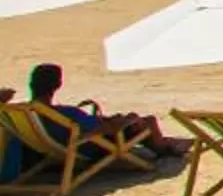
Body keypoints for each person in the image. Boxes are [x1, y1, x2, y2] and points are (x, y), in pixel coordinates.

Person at [26, 63, 161, 149]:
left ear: (31, 84)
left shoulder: (25, 111)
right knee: (148, 121)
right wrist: (128, 119)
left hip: (53, 149)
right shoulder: (67, 113)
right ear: (58, 85)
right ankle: (163, 148)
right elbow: (107, 129)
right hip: (87, 147)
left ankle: (163, 144)